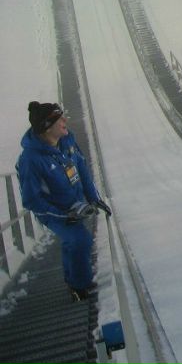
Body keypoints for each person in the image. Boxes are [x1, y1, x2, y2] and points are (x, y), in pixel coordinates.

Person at [16, 101, 111, 301]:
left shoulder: (67, 141)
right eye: (60, 119)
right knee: (79, 239)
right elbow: (31, 199)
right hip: (54, 211)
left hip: (75, 204)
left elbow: (81, 167)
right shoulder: (31, 160)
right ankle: (80, 286)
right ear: (47, 127)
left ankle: (72, 280)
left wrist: (94, 197)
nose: (65, 121)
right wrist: (63, 214)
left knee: (73, 241)